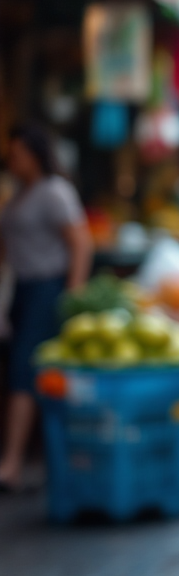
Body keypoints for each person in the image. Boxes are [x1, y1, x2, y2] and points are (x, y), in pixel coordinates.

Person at [0, 123, 92, 491]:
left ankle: (11, 463)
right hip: (22, 288)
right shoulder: (19, 195)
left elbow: (80, 243)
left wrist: (72, 294)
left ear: (35, 154)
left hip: (47, 288)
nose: (12, 159)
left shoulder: (55, 193)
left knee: (25, 370)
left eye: (18, 153)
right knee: (25, 371)